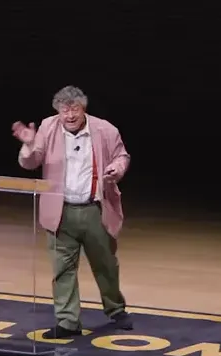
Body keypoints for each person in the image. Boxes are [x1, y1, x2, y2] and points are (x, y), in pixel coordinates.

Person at [12, 85, 135, 339]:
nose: (69, 116)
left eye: (74, 110)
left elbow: (122, 156)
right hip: (60, 212)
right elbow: (30, 162)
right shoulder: (48, 127)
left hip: (96, 210)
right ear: (57, 111)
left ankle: (115, 309)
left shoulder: (105, 129)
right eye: (63, 111)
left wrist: (116, 169)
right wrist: (28, 145)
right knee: (62, 270)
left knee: (106, 266)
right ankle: (68, 322)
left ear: (84, 108)